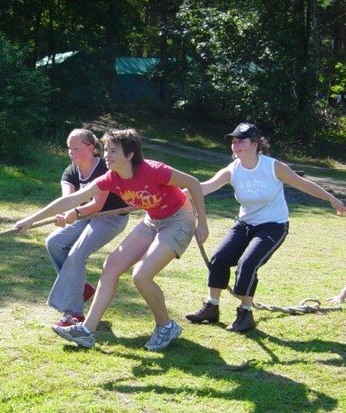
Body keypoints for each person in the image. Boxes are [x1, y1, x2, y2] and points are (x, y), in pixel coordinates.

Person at [16, 128, 209, 351]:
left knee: (141, 275)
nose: (106, 155)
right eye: (106, 149)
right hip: (152, 220)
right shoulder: (111, 178)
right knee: (110, 267)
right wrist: (31, 220)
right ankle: (87, 331)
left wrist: (202, 222)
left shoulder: (155, 170)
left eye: (113, 151)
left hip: (179, 220)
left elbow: (193, 183)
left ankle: (166, 326)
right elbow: (72, 200)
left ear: (130, 155)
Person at [185, 122, 346, 332]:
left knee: (248, 263)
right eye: (233, 141)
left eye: (240, 141)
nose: (235, 145)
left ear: (255, 144)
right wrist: (179, 194)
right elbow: (205, 187)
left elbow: (303, 184)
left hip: (273, 226)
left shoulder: (272, 166)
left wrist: (331, 199)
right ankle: (211, 307)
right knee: (219, 258)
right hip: (244, 223)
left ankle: (245, 314)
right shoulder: (232, 169)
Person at [44, 128, 130, 328]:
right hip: (86, 215)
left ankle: (74, 313)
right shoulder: (71, 171)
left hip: (111, 217)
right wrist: (65, 213)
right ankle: (81, 288)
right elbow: (68, 201)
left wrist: (73, 214)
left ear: (91, 148)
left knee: (77, 254)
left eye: (76, 147)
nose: (71, 152)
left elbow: (98, 205)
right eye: (69, 148)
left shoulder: (104, 169)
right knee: (54, 242)